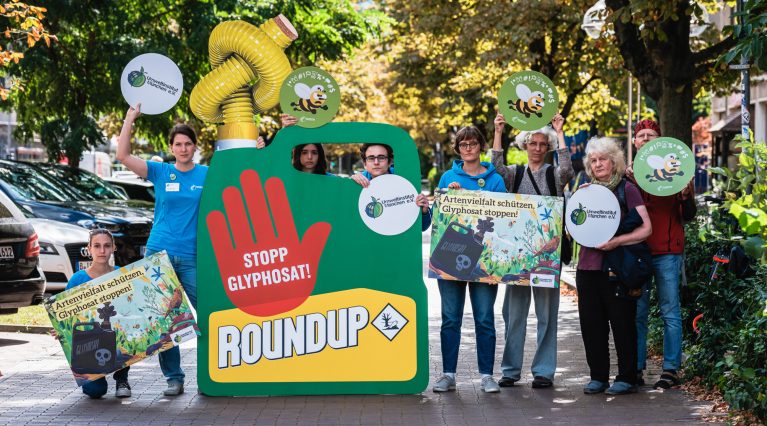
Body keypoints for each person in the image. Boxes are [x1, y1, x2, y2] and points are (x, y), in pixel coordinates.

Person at [116, 103, 207, 396]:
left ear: (195, 147)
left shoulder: (207, 174)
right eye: (178, 144)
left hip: (193, 255)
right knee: (166, 320)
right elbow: (123, 155)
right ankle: (174, 379)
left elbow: (241, 173)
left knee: (210, 311)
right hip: (159, 256)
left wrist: (256, 147)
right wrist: (130, 117)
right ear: (171, 147)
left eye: (187, 144)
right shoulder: (161, 171)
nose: (183, 148)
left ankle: (217, 370)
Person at [490, 112, 573, 388]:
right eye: (532, 143)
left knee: (547, 316)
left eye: (542, 144)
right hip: (517, 256)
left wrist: (559, 132)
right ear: (524, 145)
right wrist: (498, 132)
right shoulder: (514, 174)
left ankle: (543, 371)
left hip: (547, 257)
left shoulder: (553, 176)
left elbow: (567, 171)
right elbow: (496, 169)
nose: (537, 148)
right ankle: (511, 370)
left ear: (547, 148)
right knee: (514, 315)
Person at [430, 126, 507, 393]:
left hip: (485, 260)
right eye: (463, 144)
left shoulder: (495, 179)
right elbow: (439, 219)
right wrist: (449, 196)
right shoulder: (448, 177)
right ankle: (448, 375)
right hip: (451, 258)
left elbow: (506, 217)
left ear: (481, 146)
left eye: (473, 143)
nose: (468, 148)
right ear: (457, 149)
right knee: (450, 318)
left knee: (485, 318)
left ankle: (487, 375)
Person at [576, 137, 652, 395]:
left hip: (616, 268)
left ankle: (627, 377)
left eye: (603, 159)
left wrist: (617, 241)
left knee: (622, 323)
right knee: (591, 324)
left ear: (614, 161)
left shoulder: (626, 189)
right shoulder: (585, 191)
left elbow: (646, 228)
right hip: (587, 268)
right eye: (593, 160)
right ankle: (597, 377)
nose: (598, 164)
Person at [627, 120, 697, 389]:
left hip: (668, 251)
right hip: (639, 252)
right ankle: (635, 367)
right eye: (641, 136)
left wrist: (686, 196)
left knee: (670, 311)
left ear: (660, 142)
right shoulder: (627, 175)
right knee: (638, 312)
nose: (645, 139)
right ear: (635, 142)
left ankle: (670, 368)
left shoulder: (676, 172)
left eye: (651, 136)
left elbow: (688, 215)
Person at [64, 229, 127, 398]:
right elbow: (64, 314)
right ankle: (98, 379)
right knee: (96, 391)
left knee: (125, 330)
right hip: (89, 342)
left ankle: (122, 378)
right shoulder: (77, 280)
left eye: (107, 246)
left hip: (115, 334)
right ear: (89, 248)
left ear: (113, 248)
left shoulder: (122, 274)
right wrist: (61, 329)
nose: (102, 251)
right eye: (97, 246)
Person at [350, 143, 431, 227]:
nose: (376, 162)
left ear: (389, 162)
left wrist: (424, 212)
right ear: (364, 163)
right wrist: (351, 183)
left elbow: (423, 227)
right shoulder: (358, 181)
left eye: (381, 157)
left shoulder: (404, 180)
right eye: (371, 158)